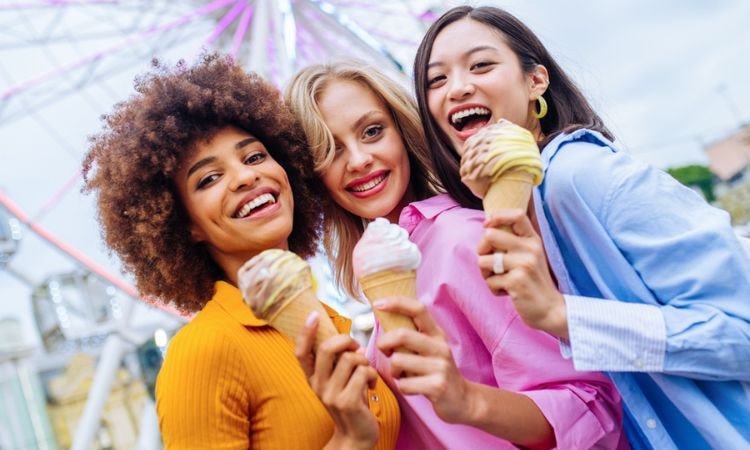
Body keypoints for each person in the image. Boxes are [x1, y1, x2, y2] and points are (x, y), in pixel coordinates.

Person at [412, 5, 750, 449]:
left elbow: (740, 331)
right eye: (437, 80)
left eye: (481, 65)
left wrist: (561, 316)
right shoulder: (502, 218)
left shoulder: (583, 175)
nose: (457, 88)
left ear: (536, 81)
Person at [285, 60, 624, 449]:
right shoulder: (387, 268)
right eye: (330, 149)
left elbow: (589, 405)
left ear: (403, 129)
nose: (359, 159)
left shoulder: (461, 240)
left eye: (373, 131)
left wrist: (466, 400)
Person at [82, 54, 400, 449]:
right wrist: (350, 438)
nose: (247, 176)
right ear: (186, 225)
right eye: (210, 178)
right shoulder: (202, 353)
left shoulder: (330, 321)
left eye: (254, 156)